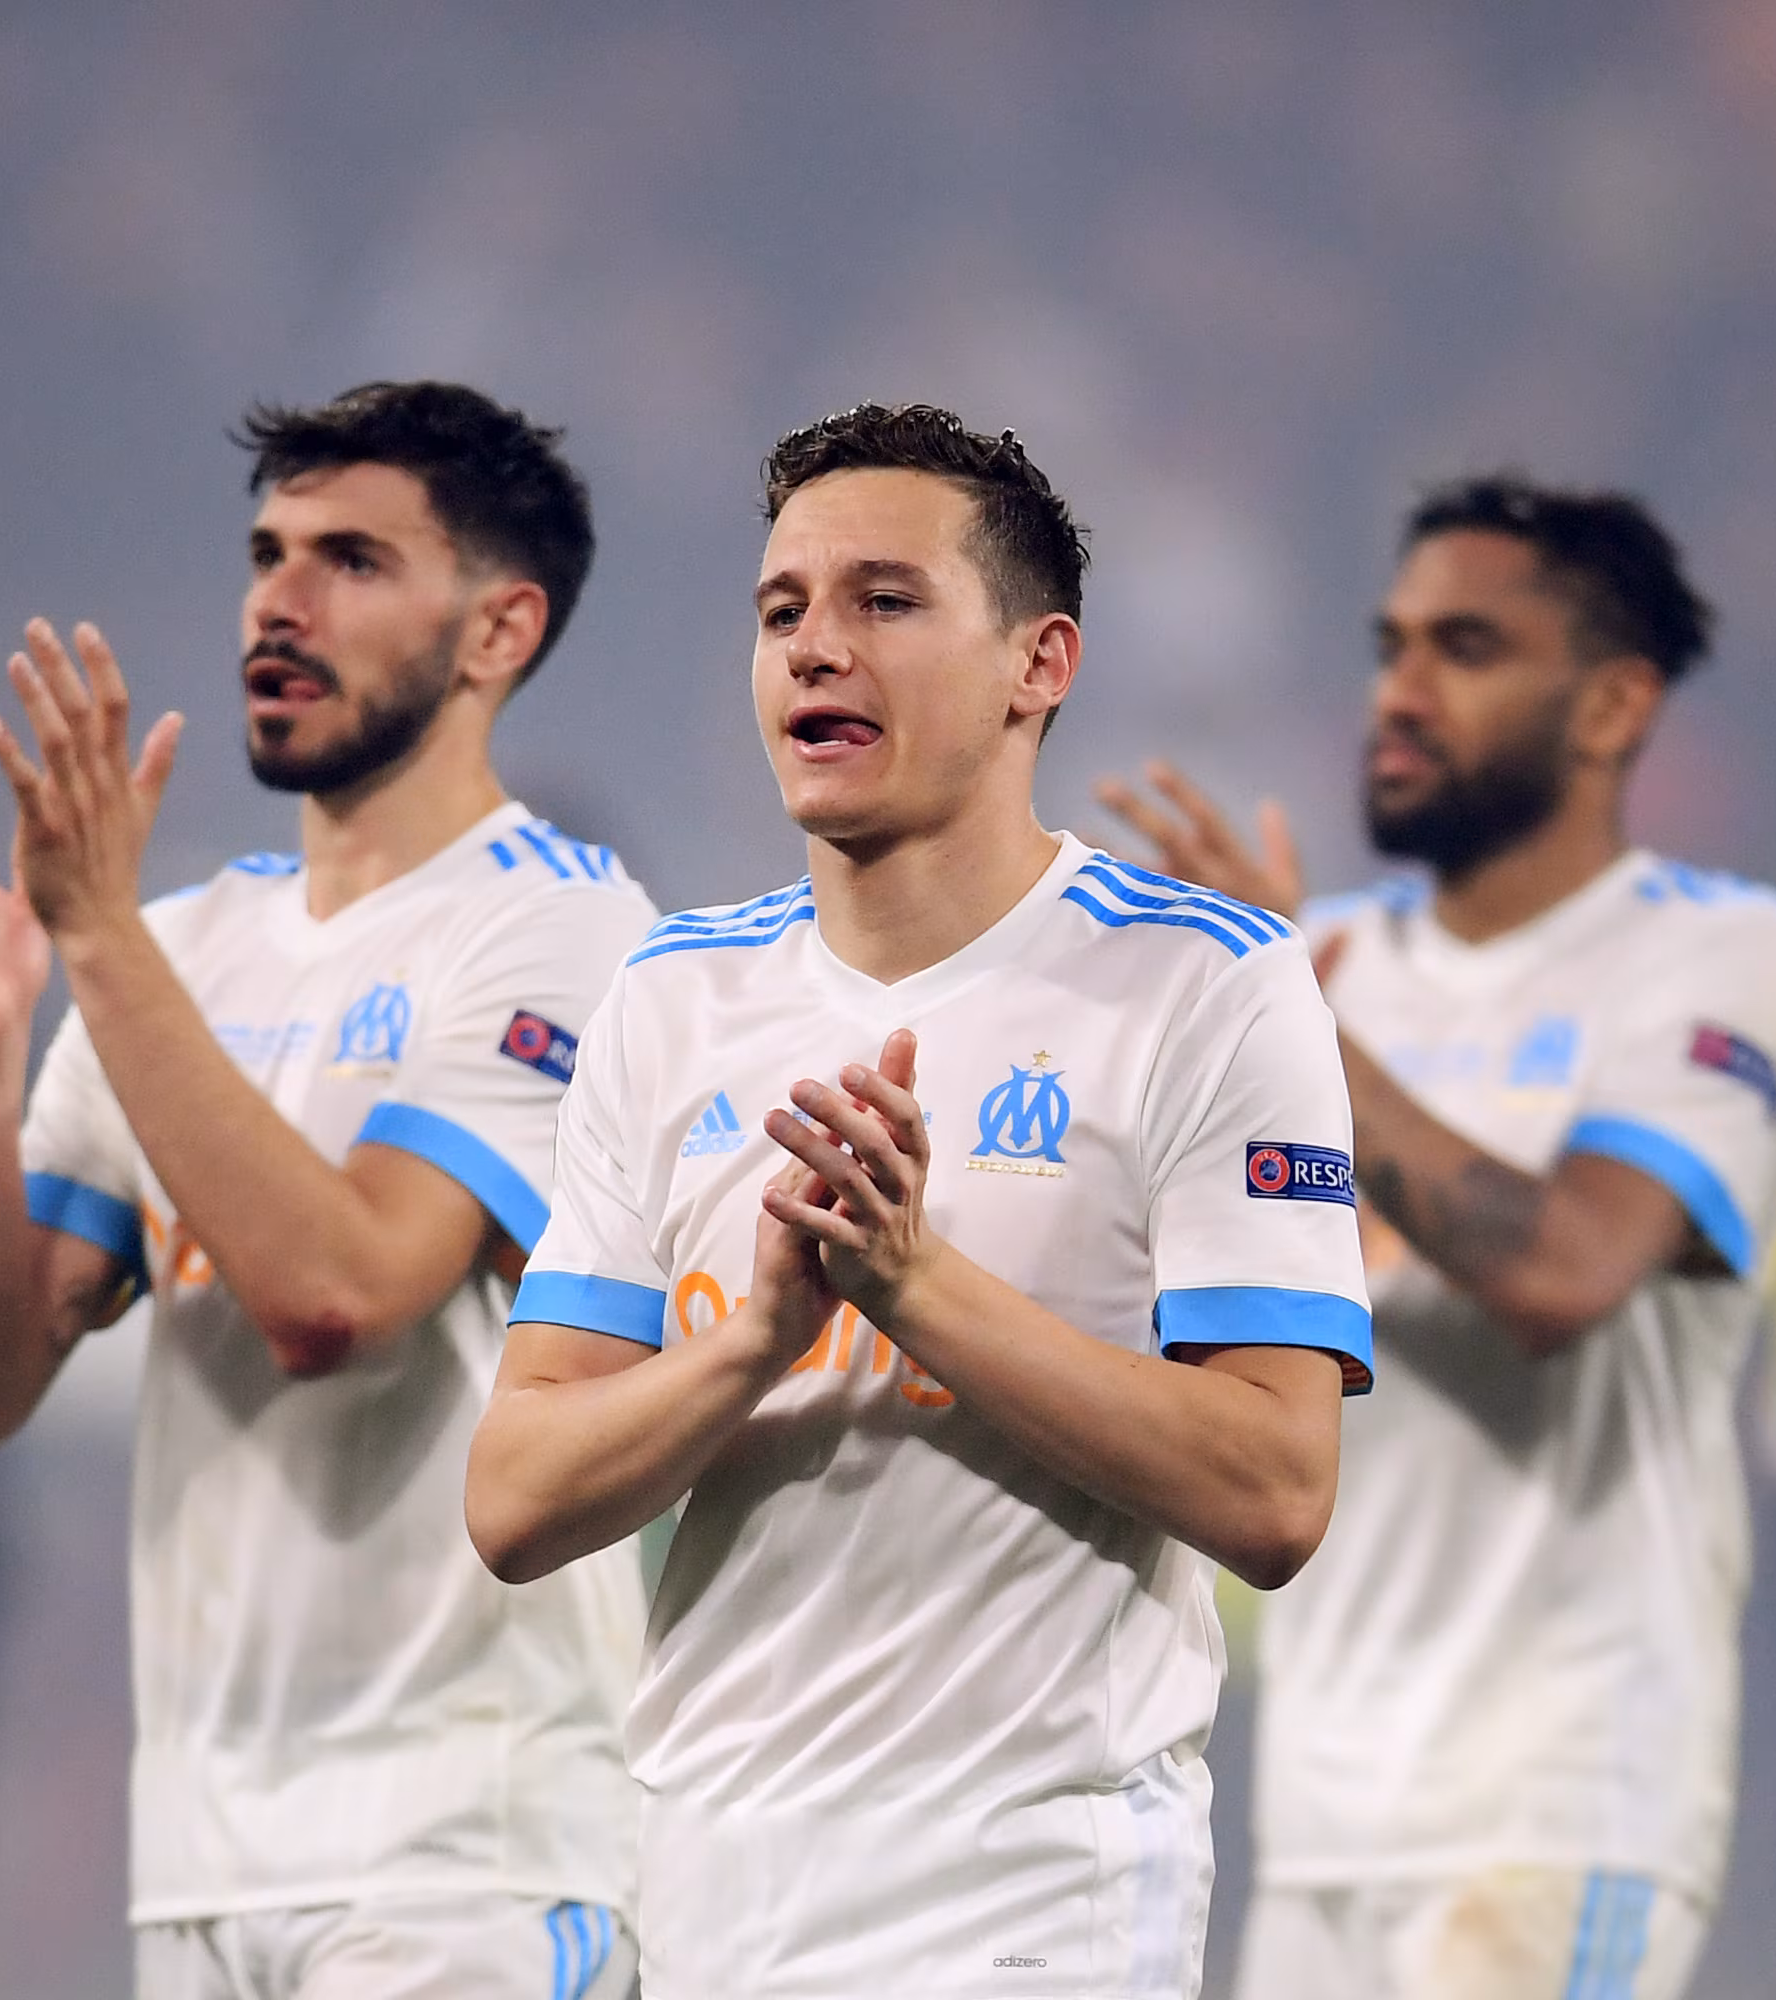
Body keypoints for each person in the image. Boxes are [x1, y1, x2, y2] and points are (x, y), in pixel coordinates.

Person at [466, 403, 1373, 1999]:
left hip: (1026, 1904)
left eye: (885, 600)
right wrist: (752, 1346)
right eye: (782, 611)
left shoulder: (1203, 984)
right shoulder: (674, 998)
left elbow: (1277, 1493)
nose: (816, 647)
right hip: (707, 1893)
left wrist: (918, 1287)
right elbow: (515, 1498)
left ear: (1041, 663)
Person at [0, 382, 651, 2000]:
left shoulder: (563, 929)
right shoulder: (181, 948)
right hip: (207, 1868)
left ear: (499, 628)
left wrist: (99, 945)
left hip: (472, 1859)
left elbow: (340, 1298)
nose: (279, 603)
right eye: (266, 555)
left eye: (352, 561)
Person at [1101, 476, 1776, 1999]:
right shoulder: (1329, 958)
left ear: (1615, 705)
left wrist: (1290, 1023)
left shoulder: (1717, 955)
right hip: (1321, 1812)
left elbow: (1562, 1268)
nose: (1402, 690)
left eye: (1467, 647)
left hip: (1558, 1805)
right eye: (1392, 647)